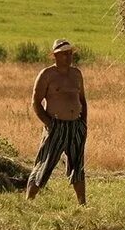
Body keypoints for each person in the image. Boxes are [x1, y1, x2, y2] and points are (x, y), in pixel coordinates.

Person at [25, 39, 88, 205]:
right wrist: (49, 123)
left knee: (78, 166)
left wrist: (83, 124)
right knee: (45, 164)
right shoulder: (47, 75)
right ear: (55, 56)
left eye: (70, 53)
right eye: (64, 54)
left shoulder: (76, 74)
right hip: (56, 126)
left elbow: (82, 99)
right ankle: (29, 201)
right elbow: (36, 102)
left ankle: (82, 204)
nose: (68, 57)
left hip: (76, 126)